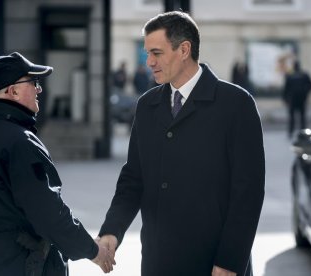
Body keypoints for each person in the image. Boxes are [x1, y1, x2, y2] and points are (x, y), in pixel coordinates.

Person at [98, 11, 265, 276]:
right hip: (158, 262)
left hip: (214, 264)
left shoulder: (236, 105)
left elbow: (248, 193)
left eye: (156, 53)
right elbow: (133, 179)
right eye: (147, 53)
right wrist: (111, 231)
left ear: (184, 49)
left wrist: (230, 262)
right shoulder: (146, 106)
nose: (149, 62)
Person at [0, 52, 115, 276]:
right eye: (33, 82)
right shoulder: (20, 143)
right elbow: (49, 213)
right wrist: (93, 251)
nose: (39, 89)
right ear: (13, 91)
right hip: (24, 266)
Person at [282, 60, 311, 138]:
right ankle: (301, 133)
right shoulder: (303, 75)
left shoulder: (290, 76)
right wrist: (305, 92)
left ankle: (293, 132)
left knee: (295, 118)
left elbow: (285, 89)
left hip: (294, 100)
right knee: (301, 117)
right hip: (300, 99)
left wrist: (285, 98)